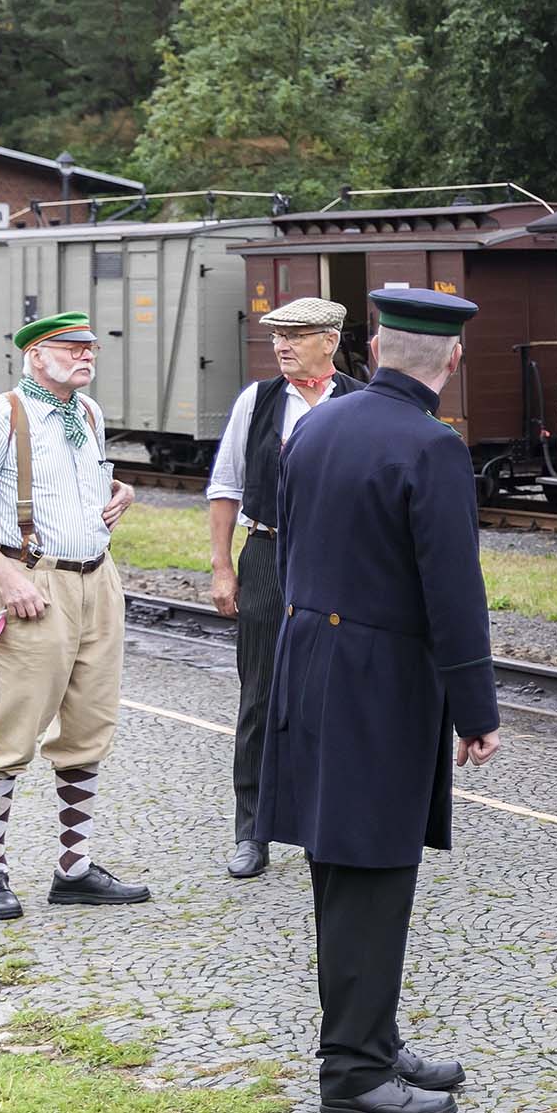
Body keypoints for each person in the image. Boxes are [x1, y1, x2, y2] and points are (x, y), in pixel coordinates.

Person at [258, 287, 502, 1113]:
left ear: (373, 345)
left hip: (311, 662)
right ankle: (354, 1074)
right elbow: (453, 593)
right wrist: (477, 707)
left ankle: (373, 1035)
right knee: (373, 871)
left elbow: (292, 547)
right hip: (379, 683)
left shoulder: (318, 422)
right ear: (453, 360)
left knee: (344, 869)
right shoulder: (430, 447)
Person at [0, 311, 145, 922]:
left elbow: (74, 485)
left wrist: (119, 490)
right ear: (35, 357)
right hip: (33, 583)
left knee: (88, 728)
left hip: (97, 579)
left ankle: (73, 870)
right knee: (9, 733)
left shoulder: (90, 414)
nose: (87, 355)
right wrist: (6, 575)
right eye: (72, 347)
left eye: (91, 347)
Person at [206, 297, 364, 879]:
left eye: (295, 335)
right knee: (261, 696)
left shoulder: (360, 401)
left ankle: (335, 826)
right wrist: (224, 567)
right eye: (276, 336)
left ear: (330, 339)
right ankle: (252, 831)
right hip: (269, 554)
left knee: (338, 694)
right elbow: (226, 485)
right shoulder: (258, 400)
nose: (281, 345)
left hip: (342, 564)